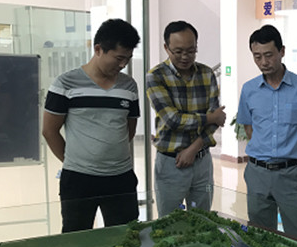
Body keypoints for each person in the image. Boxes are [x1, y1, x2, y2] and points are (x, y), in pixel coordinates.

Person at [43, 18, 141, 233]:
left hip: (121, 177)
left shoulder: (129, 86)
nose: (123, 65)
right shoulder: (65, 83)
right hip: (78, 179)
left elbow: (129, 129)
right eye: (119, 58)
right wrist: (76, 161)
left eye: (128, 59)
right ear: (98, 49)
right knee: (77, 238)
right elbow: (49, 131)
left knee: (126, 236)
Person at [237, 25, 297, 241]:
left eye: (269, 55)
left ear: (282, 51)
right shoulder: (249, 89)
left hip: (291, 174)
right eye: (257, 57)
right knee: (260, 235)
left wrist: (289, 149)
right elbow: (248, 127)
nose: (263, 62)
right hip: (257, 173)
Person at [146, 21, 226, 217]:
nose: (185, 57)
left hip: (202, 162)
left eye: (191, 51)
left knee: (203, 218)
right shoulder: (156, 76)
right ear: (166, 48)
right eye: (178, 51)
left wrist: (193, 148)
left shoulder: (207, 74)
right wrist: (210, 117)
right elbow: (173, 120)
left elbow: (216, 121)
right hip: (170, 163)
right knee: (169, 221)